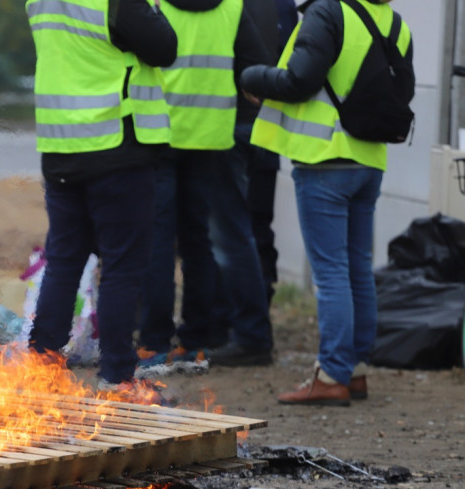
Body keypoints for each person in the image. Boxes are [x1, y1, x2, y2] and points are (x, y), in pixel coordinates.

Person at [241, 0, 414, 405]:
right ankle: (355, 370)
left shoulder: (328, 11)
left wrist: (252, 76)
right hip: (369, 161)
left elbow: (299, 79)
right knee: (357, 269)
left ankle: (333, 373)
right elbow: (402, 91)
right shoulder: (396, 23)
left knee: (332, 272)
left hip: (324, 160)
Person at [25, 0, 177, 392]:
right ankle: (116, 376)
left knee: (63, 261)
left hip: (61, 148)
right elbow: (164, 47)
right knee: (121, 267)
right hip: (115, 150)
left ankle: (41, 366)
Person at [136, 0, 273, 370]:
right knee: (200, 241)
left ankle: (154, 341)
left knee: (158, 241)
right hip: (212, 136)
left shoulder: (153, 5)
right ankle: (197, 338)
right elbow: (255, 67)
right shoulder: (231, 7)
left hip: (160, 133)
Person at [243, 0, 297, 308]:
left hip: (234, 131)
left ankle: (249, 308)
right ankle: (258, 306)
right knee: (256, 222)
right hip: (262, 130)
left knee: (240, 225)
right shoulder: (282, 6)